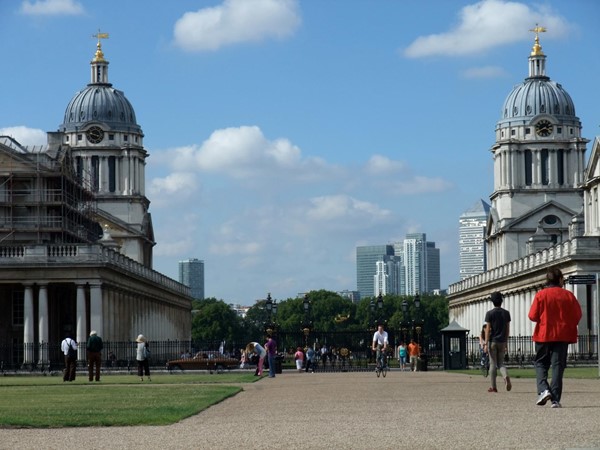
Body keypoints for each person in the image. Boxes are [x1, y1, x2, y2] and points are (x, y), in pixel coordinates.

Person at [528, 267, 582, 408]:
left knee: (540, 363)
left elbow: (532, 316)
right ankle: (555, 399)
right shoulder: (568, 295)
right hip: (562, 335)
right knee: (558, 366)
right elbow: (577, 315)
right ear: (559, 280)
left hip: (544, 334)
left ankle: (543, 389)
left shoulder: (541, 295)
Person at [484, 291, 511, 393]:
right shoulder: (506, 313)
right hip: (502, 341)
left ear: (493, 302)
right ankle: (505, 376)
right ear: (501, 301)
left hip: (493, 341)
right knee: (501, 363)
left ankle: (493, 387)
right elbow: (507, 330)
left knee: (492, 364)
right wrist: (506, 343)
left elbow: (487, 329)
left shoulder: (489, 313)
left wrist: (486, 343)